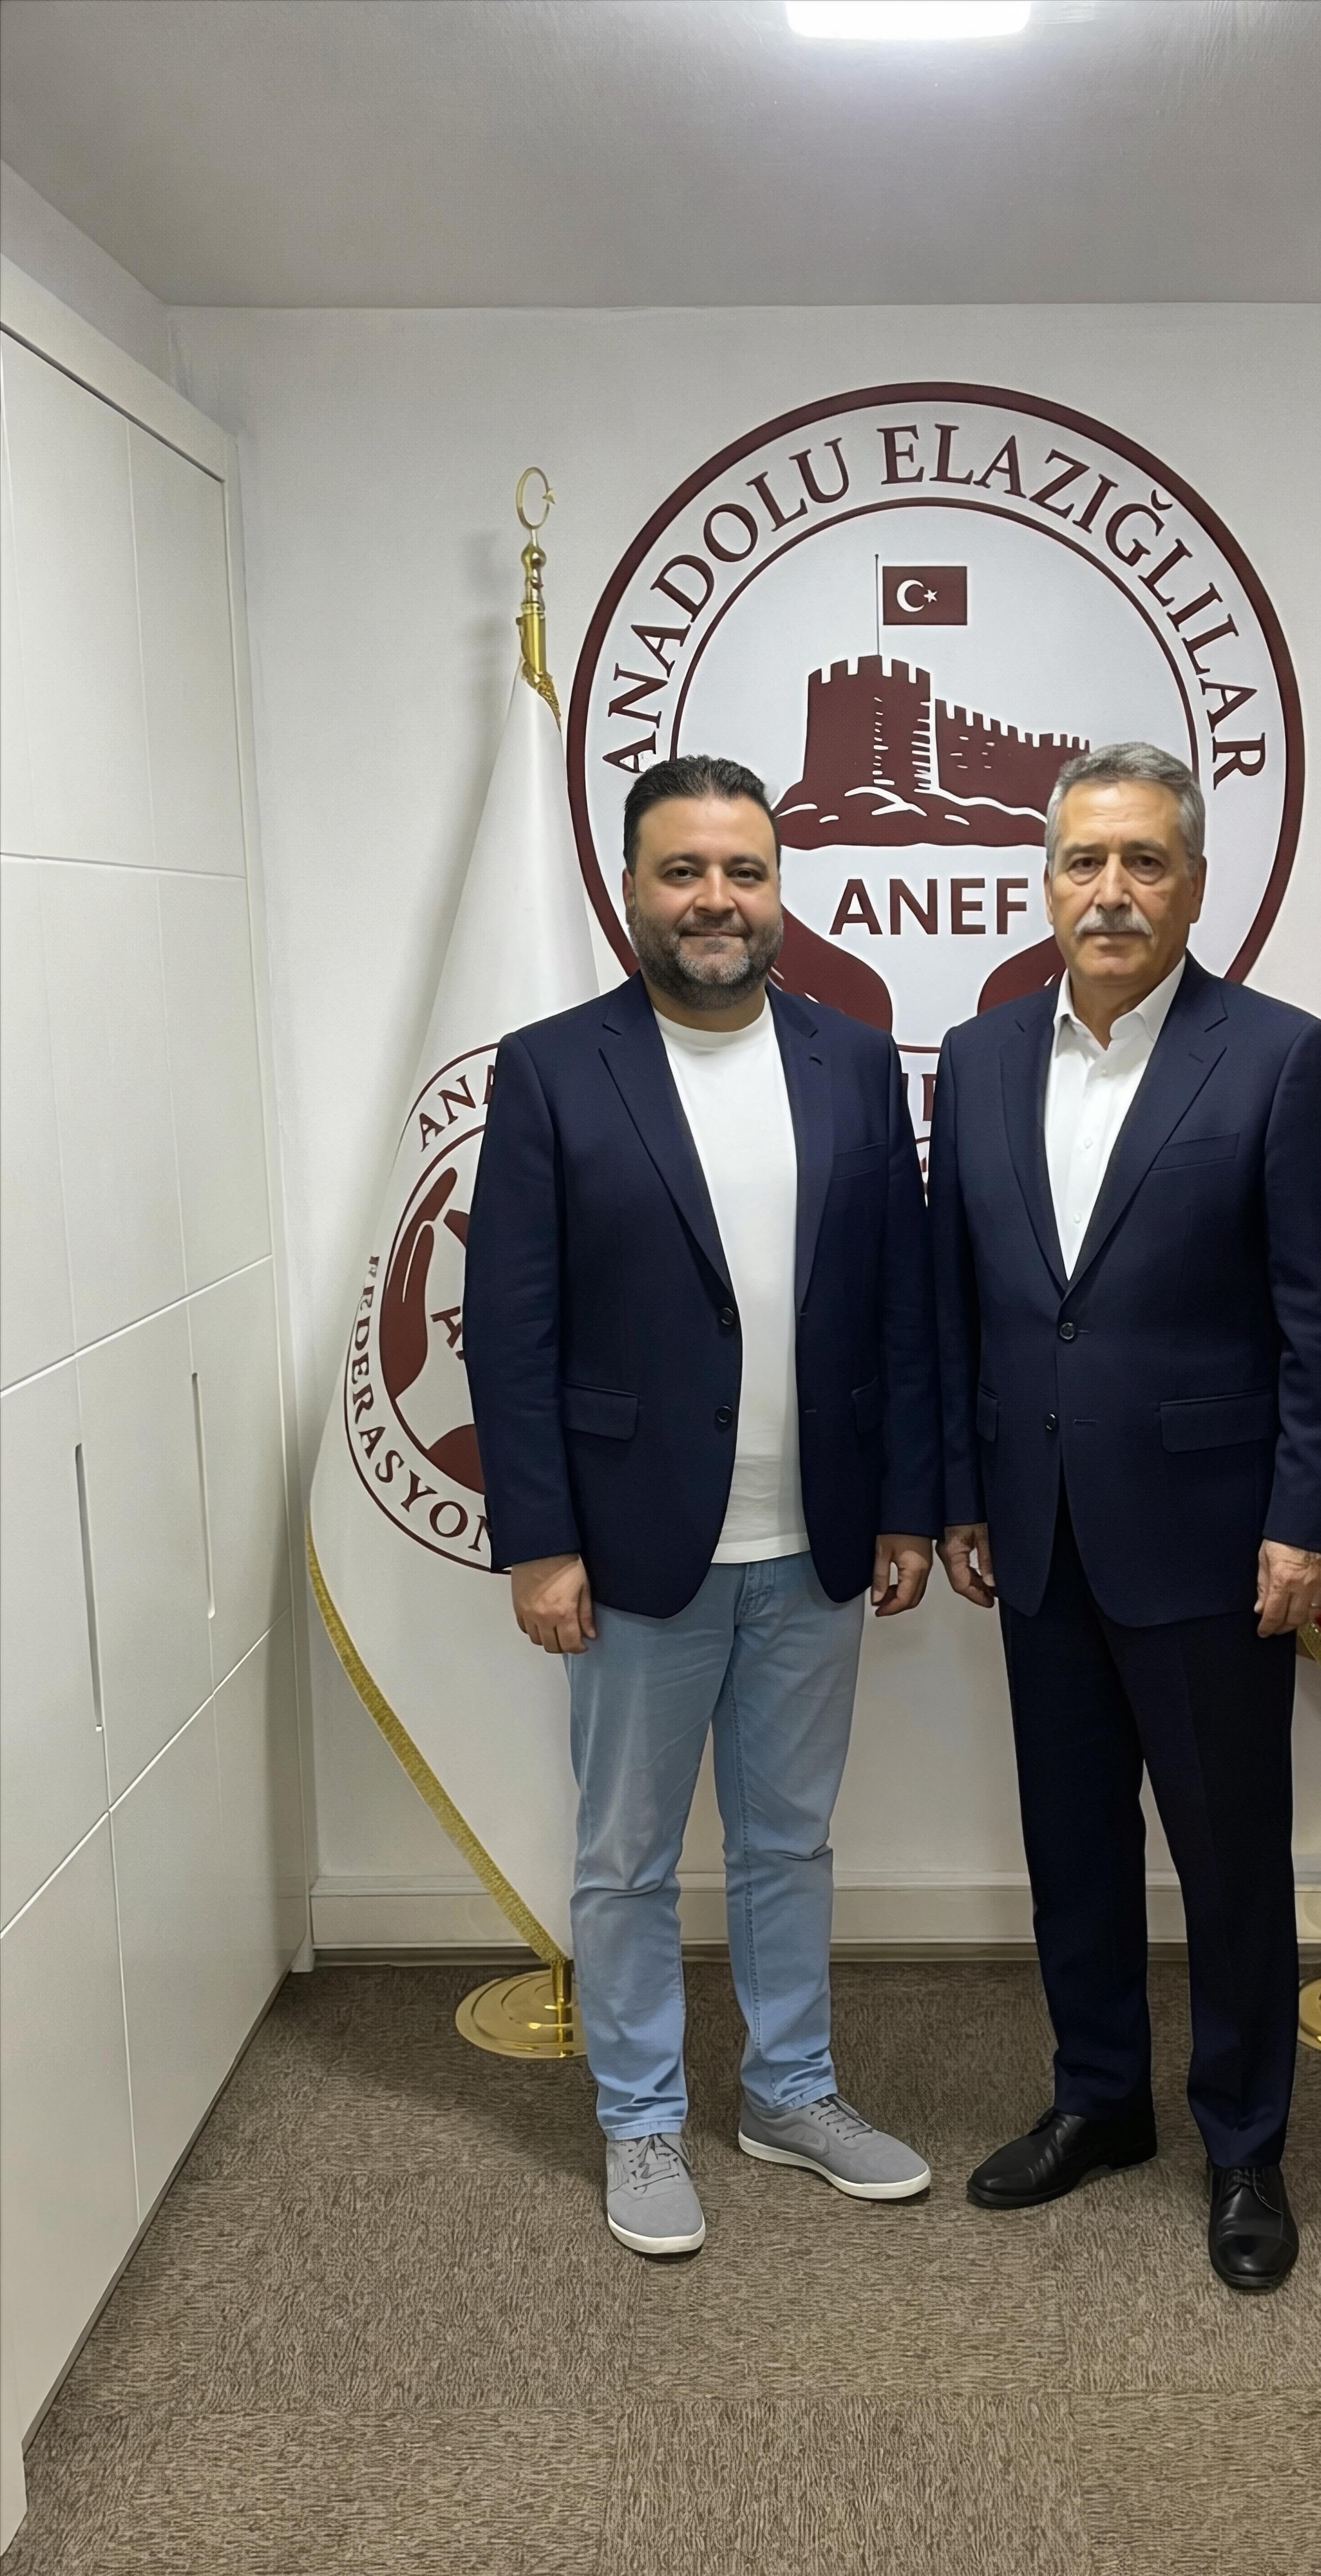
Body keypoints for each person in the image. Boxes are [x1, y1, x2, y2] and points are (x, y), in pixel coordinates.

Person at [464, 754, 939, 2257]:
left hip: (818, 1538)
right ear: (631, 888)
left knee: (789, 1840)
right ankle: (641, 2117)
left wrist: (907, 1504)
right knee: (627, 1856)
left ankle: (790, 2092)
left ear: (780, 890)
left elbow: (901, 1304)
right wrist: (541, 1541)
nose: (716, 900)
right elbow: (510, 1330)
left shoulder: (853, 1060)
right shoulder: (554, 1069)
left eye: (744, 871)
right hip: (629, 1546)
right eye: (684, 871)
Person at [929, 741, 1321, 2290]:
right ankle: (1101, 2100)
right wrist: (962, 1490)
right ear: (1045, 883)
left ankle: (1245, 2144)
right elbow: (961, 1302)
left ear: (1194, 885)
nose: (1110, 891)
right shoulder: (979, 1056)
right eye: (1083, 862)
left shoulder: (1280, 1058)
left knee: (1229, 1854)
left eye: (1144, 862)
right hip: (1035, 1528)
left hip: (1214, 1538)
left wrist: (1309, 1520)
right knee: (1072, 1840)